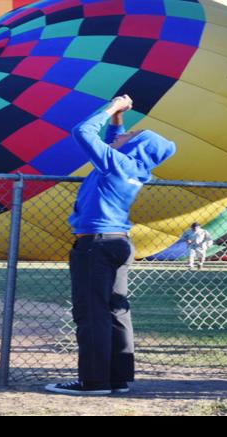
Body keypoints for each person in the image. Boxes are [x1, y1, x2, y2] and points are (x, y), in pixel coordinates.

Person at [45, 95, 176, 397]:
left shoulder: (116, 163)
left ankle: (94, 382)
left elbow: (82, 132)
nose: (124, 135)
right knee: (117, 311)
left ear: (134, 146)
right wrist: (119, 121)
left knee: (91, 313)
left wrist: (112, 107)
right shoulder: (134, 167)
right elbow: (116, 139)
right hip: (118, 243)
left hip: (95, 245)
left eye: (130, 135)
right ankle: (117, 378)